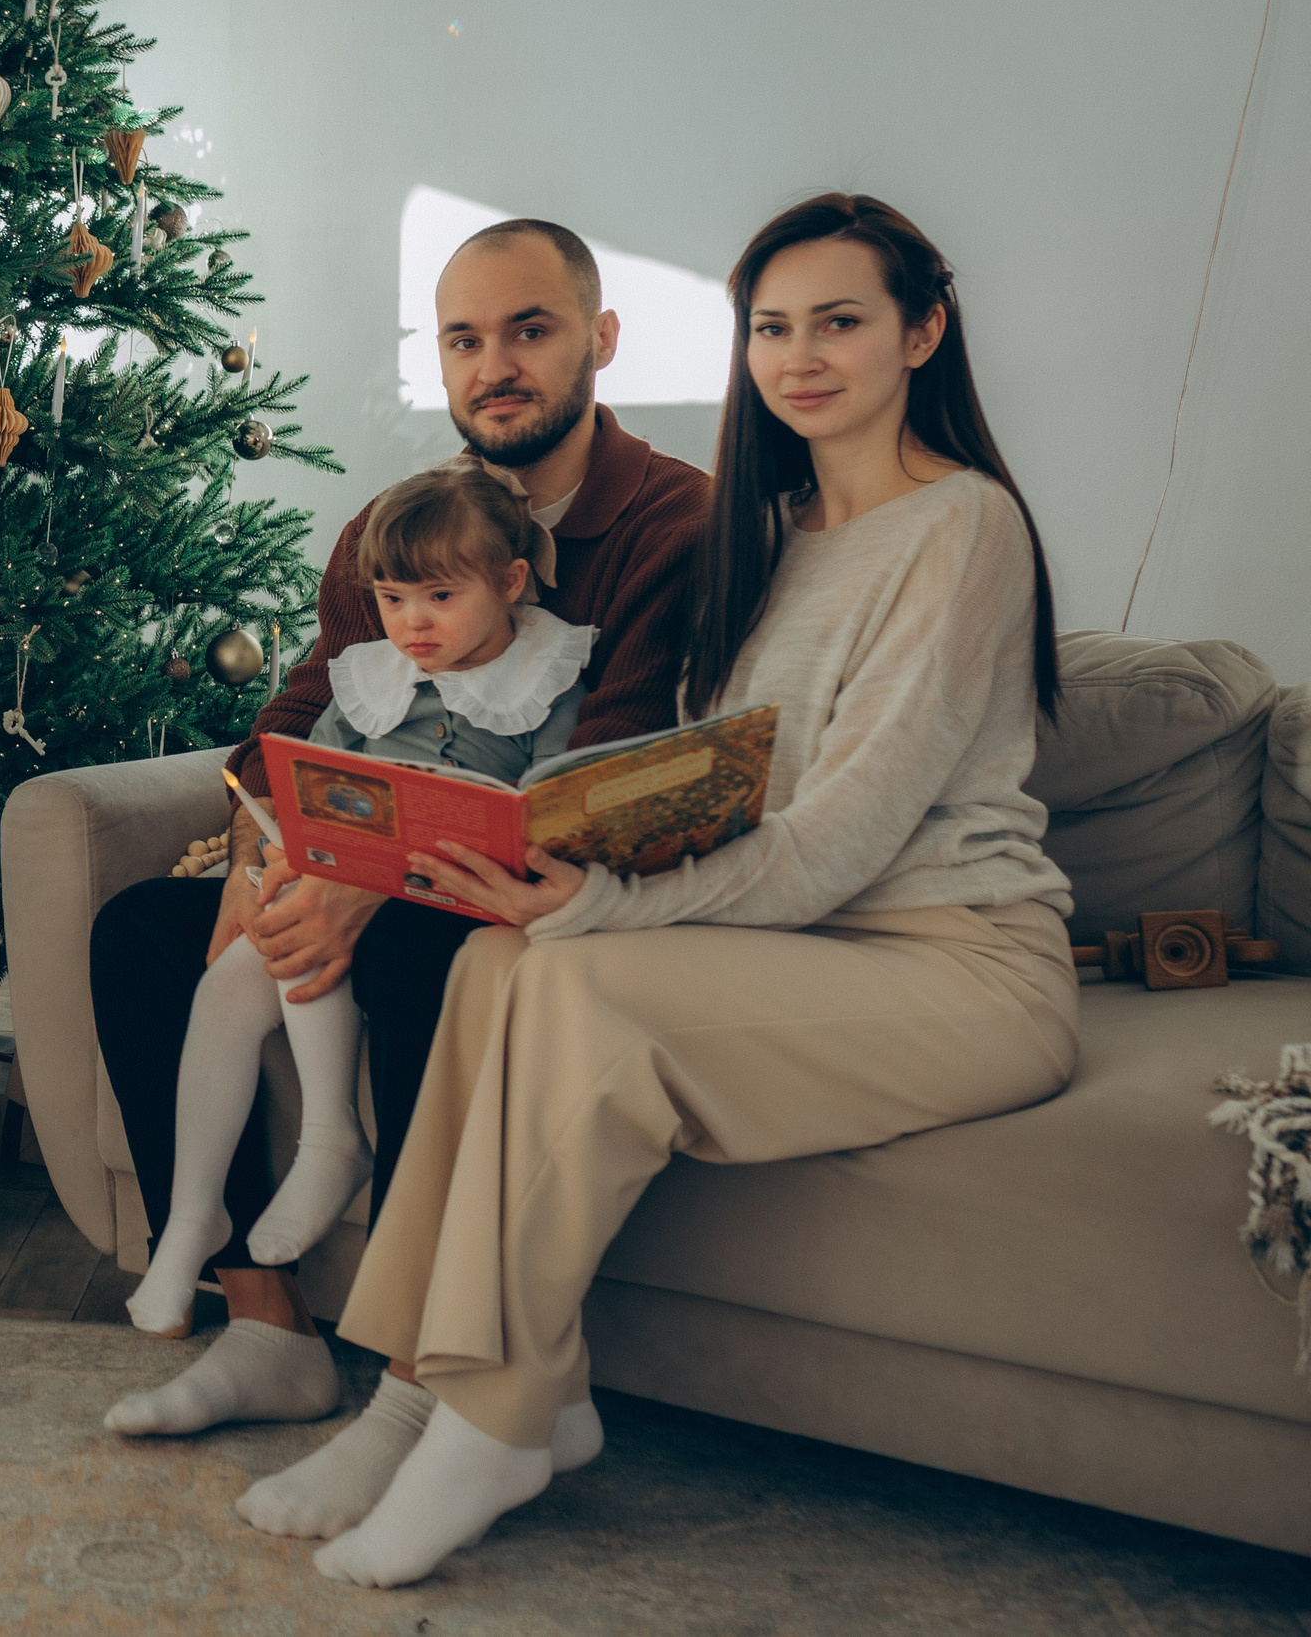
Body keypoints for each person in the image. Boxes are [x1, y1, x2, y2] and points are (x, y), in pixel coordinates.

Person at [242, 192, 1078, 1588]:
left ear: (923, 331)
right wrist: (578, 853)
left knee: (574, 978)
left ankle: (496, 1420)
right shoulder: (770, 530)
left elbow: (845, 839)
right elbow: (720, 779)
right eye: (772, 327)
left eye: (843, 322)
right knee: (501, 963)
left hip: (957, 960)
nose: (802, 356)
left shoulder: (967, 527)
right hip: (808, 943)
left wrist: (599, 906)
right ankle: (428, 1393)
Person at [95, 219, 709, 1437]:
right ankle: (264, 1324)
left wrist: (372, 876)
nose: (496, 365)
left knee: (426, 956)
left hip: (546, 891)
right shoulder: (399, 525)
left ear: (600, 339)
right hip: (362, 854)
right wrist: (261, 846)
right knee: (147, 936)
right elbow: (306, 708)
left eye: (529, 330)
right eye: (464, 338)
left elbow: (607, 777)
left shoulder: (676, 526)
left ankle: (438, 1365)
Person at [118, 458, 595, 1347]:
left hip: (451, 897)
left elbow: (561, 796)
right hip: (342, 865)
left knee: (324, 933)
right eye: (391, 599)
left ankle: (332, 1137)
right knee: (226, 977)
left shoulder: (550, 671)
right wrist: (278, 849)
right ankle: (193, 1219)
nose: (412, 623)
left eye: (440, 598)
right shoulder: (371, 673)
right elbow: (312, 773)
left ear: (510, 581)